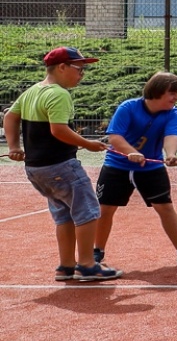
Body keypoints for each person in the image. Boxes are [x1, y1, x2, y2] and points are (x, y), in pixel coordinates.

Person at [3, 47, 120, 283]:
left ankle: (66, 265)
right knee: (88, 211)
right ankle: (87, 265)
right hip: (60, 165)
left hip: (36, 170)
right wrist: (87, 143)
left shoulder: (33, 91)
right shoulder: (58, 94)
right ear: (62, 67)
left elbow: (10, 116)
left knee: (64, 215)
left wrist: (14, 147)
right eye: (79, 69)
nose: (82, 74)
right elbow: (59, 130)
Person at [93, 71, 177, 270]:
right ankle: (96, 252)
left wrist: (170, 154)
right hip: (117, 165)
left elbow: (171, 136)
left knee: (166, 208)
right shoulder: (128, 107)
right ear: (158, 91)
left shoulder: (173, 113)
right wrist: (131, 152)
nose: (176, 97)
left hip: (151, 168)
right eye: (172, 92)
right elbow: (115, 138)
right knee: (105, 209)